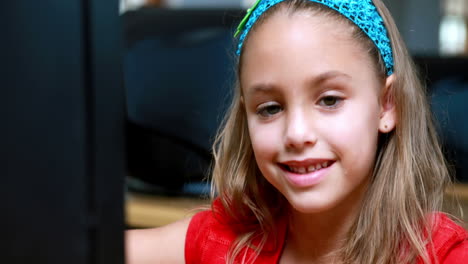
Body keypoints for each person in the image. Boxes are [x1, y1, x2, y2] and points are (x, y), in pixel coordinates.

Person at [126, 0, 468, 263]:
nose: (297, 133)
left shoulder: (443, 254)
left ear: (387, 105)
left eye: (329, 100)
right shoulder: (226, 241)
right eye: (270, 108)